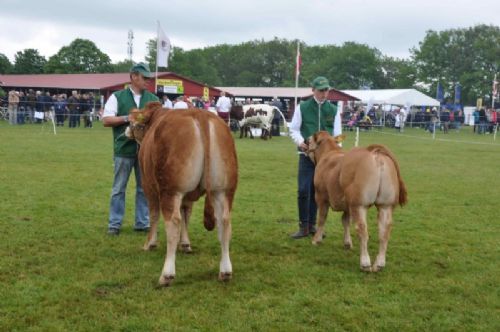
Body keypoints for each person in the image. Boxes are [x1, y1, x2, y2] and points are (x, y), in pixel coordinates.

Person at [102, 63, 159, 235]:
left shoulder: (153, 100)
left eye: (148, 78)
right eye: (144, 78)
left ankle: (142, 223)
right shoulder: (117, 97)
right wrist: (128, 117)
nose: (147, 81)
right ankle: (114, 224)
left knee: (144, 188)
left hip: (145, 152)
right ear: (134, 76)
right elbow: (106, 120)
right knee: (119, 188)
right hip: (124, 150)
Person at [289, 76, 342, 239]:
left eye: (326, 90)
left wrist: (337, 153)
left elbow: (338, 135)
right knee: (304, 189)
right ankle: (303, 226)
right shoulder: (302, 107)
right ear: (313, 90)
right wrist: (300, 143)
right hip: (307, 156)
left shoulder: (334, 110)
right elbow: (294, 129)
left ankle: (313, 226)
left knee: (318, 192)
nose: (324, 93)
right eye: (321, 90)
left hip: (327, 161)